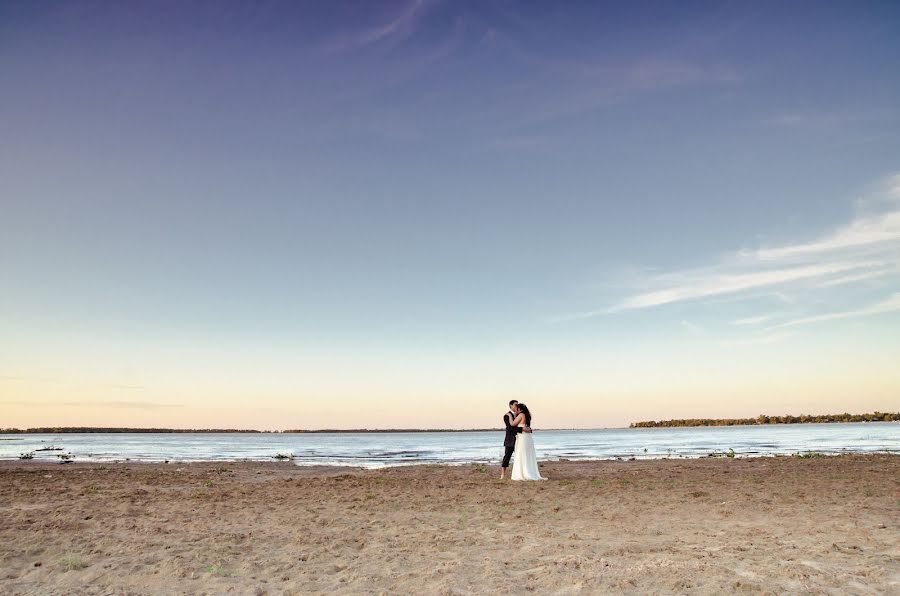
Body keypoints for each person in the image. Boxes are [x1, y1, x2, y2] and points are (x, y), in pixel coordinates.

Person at [509, 402, 545, 481]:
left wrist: (509, 416)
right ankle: (527, 471)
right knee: (526, 454)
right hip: (526, 437)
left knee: (521, 453)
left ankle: (523, 473)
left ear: (520, 409)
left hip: (523, 438)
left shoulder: (521, 415)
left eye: (517, 408)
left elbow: (512, 424)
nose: (516, 410)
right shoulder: (526, 416)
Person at [500, 400, 531, 480]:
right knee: (507, 457)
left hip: (520, 440)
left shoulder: (520, 414)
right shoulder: (507, 415)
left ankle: (522, 473)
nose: (517, 406)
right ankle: (503, 474)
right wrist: (522, 429)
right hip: (510, 440)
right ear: (511, 406)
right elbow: (510, 428)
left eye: (517, 405)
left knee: (521, 457)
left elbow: (525, 424)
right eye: (515, 405)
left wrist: (528, 429)